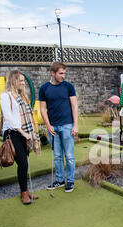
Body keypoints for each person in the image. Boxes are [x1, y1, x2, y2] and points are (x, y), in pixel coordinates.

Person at [0, 70, 41, 205]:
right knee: (22, 163)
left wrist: (30, 133)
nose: (23, 83)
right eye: (20, 80)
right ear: (13, 80)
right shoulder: (6, 96)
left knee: (25, 163)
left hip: (25, 132)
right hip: (13, 133)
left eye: (24, 81)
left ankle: (27, 191)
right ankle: (23, 193)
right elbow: (8, 117)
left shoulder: (23, 96)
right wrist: (23, 133)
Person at [39, 62, 79, 192]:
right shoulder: (44, 88)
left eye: (64, 73)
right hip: (53, 128)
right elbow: (42, 109)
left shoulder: (68, 87)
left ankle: (70, 181)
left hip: (67, 126)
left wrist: (75, 125)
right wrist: (48, 125)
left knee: (69, 156)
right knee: (57, 156)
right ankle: (60, 180)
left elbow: (74, 106)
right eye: (61, 73)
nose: (63, 76)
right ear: (52, 73)